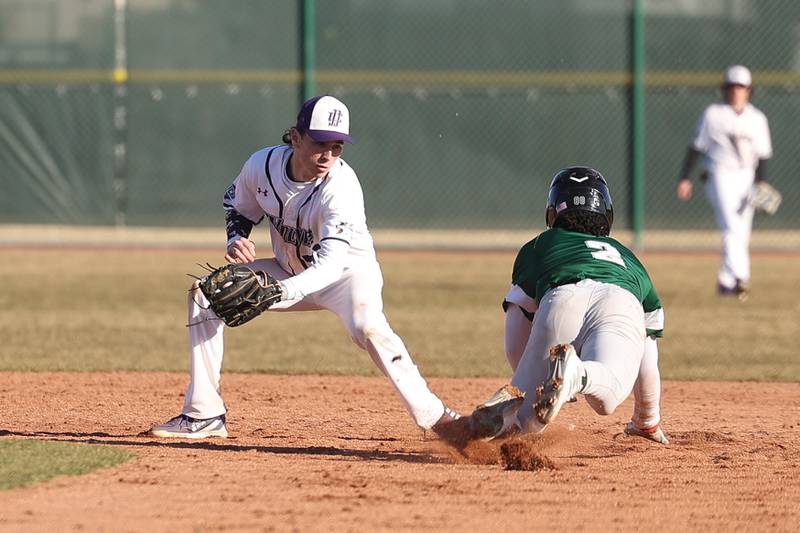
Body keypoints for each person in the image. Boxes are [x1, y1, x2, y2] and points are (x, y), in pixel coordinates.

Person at [150, 95, 459, 439]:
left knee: (368, 327)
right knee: (205, 294)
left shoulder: (341, 188)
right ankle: (203, 414)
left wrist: (281, 290)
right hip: (290, 269)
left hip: (346, 277)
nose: (328, 155)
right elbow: (239, 208)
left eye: (337, 146)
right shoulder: (261, 166)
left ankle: (439, 420)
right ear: (295, 138)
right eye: (319, 143)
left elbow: (329, 268)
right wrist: (235, 239)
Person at [465, 166, 667, 444]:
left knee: (523, 425)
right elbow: (646, 352)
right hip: (622, 301)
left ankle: (507, 420)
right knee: (605, 398)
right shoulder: (627, 257)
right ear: (606, 213)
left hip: (561, 298)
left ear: (553, 211)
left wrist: (531, 381)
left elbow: (515, 335)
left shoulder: (541, 244)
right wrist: (647, 419)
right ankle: (578, 375)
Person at [676, 65, 773, 301]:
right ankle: (742, 277)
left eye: (741, 87)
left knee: (742, 230)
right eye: (732, 86)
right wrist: (685, 177)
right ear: (725, 89)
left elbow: (763, 155)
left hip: (747, 175)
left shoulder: (757, 118)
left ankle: (726, 281)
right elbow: (696, 148)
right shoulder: (713, 114)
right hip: (719, 172)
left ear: (749, 90)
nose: (736, 91)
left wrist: (761, 182)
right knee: (730, 225)